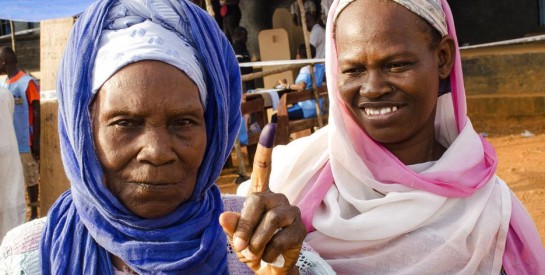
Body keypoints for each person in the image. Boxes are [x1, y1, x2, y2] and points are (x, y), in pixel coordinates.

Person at [0, 1, 334, 274]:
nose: (157, 152)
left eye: (184, 122)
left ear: (213, 131)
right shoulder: (27, 258)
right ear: (84, 133)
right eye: (125, 123)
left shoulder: (259, 243)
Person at [241, 0, 545, 273]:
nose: (373, 88)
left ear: (442, 58)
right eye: (353, 69)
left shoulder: (489, 213)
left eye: (396, 65)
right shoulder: (292, 178)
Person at [0, 46, 40, 220]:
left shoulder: (27, 82)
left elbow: (37, 111)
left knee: (30, 177)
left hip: (25, 141)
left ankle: (34, 211)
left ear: (3, 62)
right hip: (9, 143)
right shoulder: (3, 85)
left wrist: (36, 140)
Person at [0, 86, 26, 242]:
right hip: (9, 149)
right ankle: (9, 245)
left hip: (7, 152)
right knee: (10, 199)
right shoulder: (6, 93)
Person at [276, 43, 325, 120]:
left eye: (297, 54)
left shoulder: (305, 69)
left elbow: (301, 86)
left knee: (277, 117)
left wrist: (285, 85)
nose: (296, 56)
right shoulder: (320, 68)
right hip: (318, 108)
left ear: (301, 56)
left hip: (305, 109)